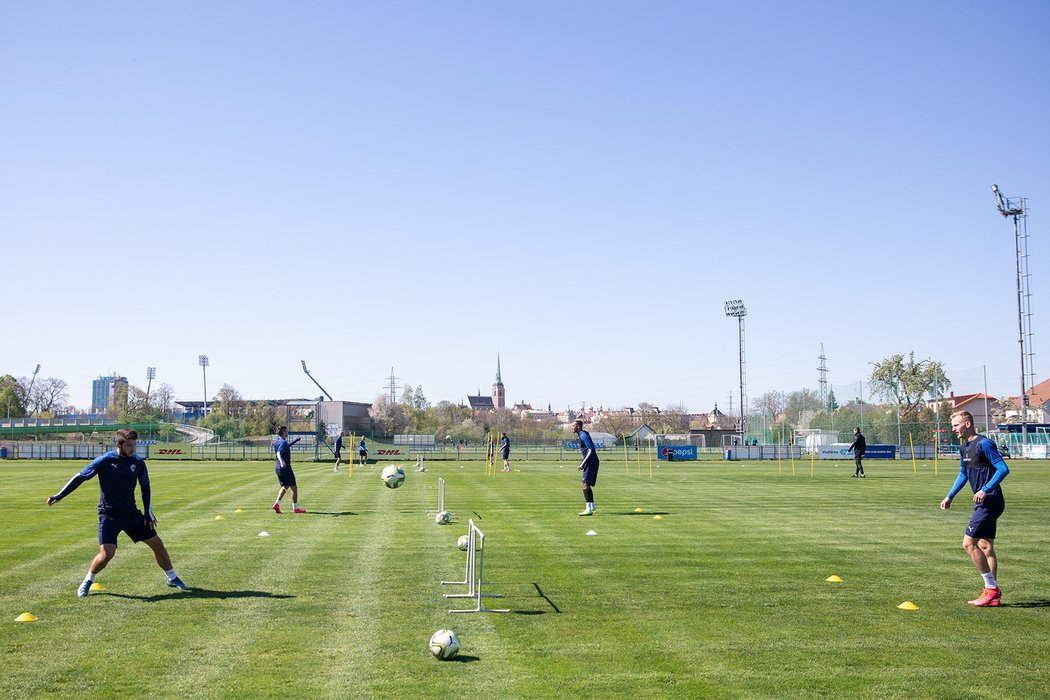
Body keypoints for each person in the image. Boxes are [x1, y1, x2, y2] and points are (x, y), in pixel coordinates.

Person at [46, 428, 189, 597]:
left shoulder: (138, 463)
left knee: (157, 543)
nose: (133, 449)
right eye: (129, 445)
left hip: (131, 513)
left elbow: (145, 487)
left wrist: (148, 513)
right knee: (107, 554)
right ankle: (87, 581)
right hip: (109, 515)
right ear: (119, 444)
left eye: (134, 445)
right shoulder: (104, 461)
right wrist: (59, 495)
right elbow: (80, 477)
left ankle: (172, 577)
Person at [940, 410, 1009, 607]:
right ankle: (993, 595)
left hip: (990, 501)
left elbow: (1003, 468)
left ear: (967, 424)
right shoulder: (964, 447)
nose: (953, 430)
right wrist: (950, 496)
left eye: (956, 425)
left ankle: (991, 588)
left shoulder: (984, 444)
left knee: (968, 544)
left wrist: (985, 489)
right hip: (984, 502)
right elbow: (963, 474)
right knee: (985, 546)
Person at [273, 426, 306, 514]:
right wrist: (282, 462)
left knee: (285, 486)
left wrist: (295, 441)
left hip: (278, 468)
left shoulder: (278, 441)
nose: (288, 433)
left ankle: (277, 504)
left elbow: (286, 446)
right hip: (285, 468)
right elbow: (279, 453)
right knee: (294, 487)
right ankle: (295, 508)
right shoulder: (283, 442)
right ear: (284, 433)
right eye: (287, 431)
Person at [572, 419, 599, 516]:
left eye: (573, 425)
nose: (572, 427)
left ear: (578, 426)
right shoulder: (582, 435)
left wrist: (582, 464)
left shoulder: (584, 435)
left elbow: (591, 450)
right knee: (585, 484)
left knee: (584, 484)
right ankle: (592, 507)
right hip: (591, 462)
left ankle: (589, 509)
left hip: (591, 462)